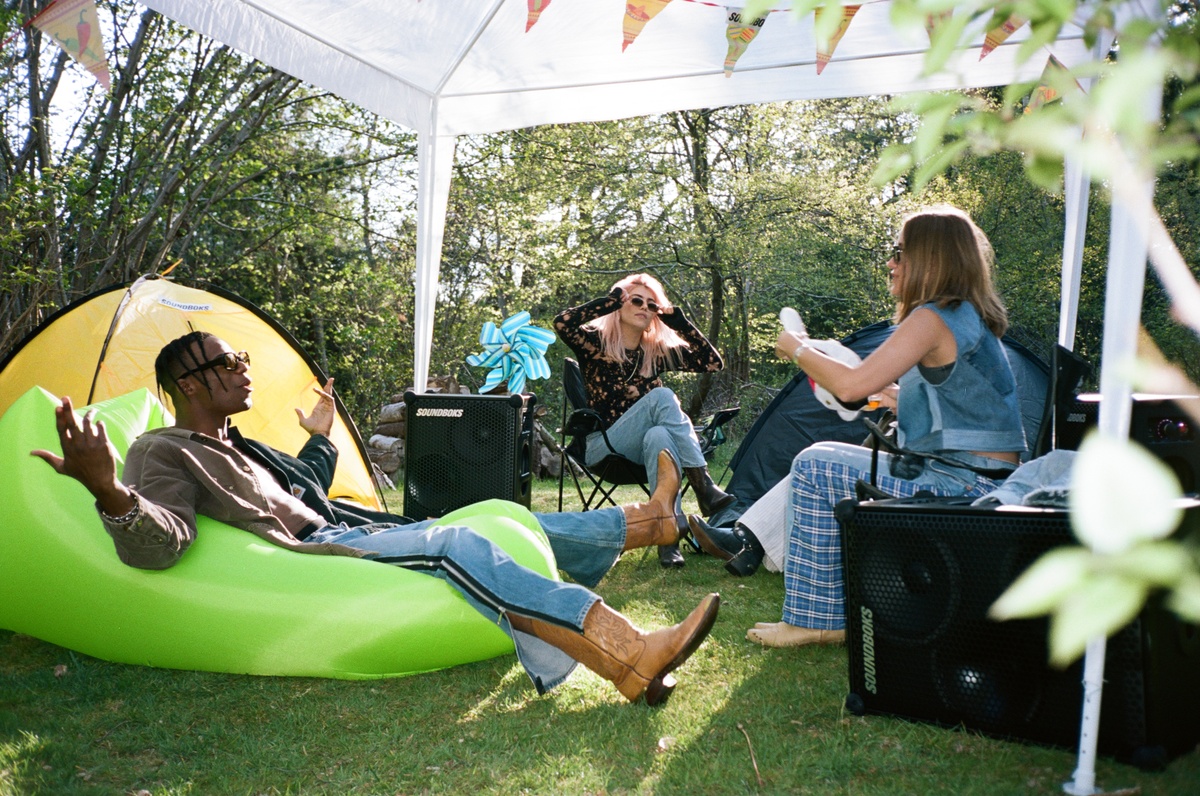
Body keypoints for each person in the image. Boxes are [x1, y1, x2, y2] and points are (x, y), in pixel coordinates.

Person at [31, 331, 718, 705]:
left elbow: (304, 486)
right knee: (454, 540)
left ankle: (637, 602)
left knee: (484, 525)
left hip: (349, 526)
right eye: (228, 361)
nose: (245, 368)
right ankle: (630, 650)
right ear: (189, 383)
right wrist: (105, 488)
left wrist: (322, 438)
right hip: (318, 549)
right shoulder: (162, 450)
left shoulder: (232, 442)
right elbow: (159, 547)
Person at [746, 205, 1026, 648]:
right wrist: (888, 396)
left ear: (930, 258)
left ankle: (815, 618)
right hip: (983, 479)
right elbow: (943, 400)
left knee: (814, 465)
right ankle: (806, 596)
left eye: (899, 252)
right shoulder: (963, 316)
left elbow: (854, 386)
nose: (891, 263)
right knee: (824, 463)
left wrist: (797, 349)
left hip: (967, 488)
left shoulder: (932, 317)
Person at [554, 273, 732, 568]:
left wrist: (680, 323)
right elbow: (562, 322)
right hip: (604, 446)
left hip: (642, 450)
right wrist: (608, 302)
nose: (643, 307)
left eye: (652, 305)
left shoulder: (656, 354)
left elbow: (712, 363)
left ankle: (668, 536)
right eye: (635, 300)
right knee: (662, 397)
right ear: (621, 304)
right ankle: (704, 487)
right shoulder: (593, 344)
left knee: (659, 436)